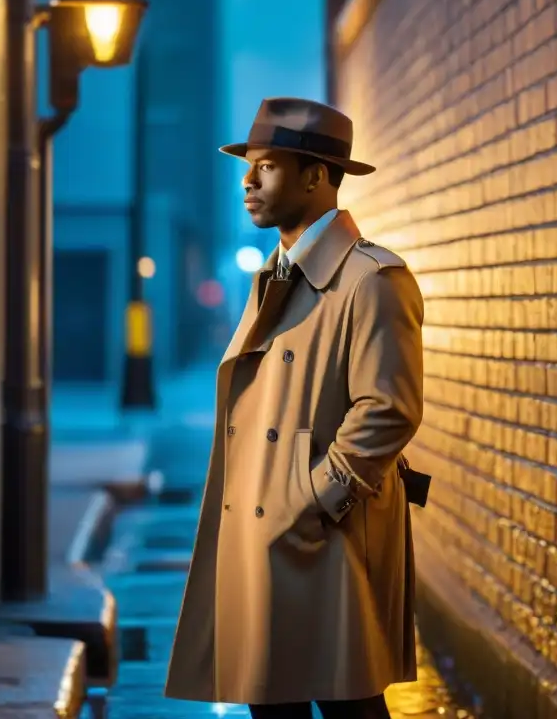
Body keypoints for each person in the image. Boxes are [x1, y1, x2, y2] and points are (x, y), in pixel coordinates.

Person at [165, 97, 425, 719]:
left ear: (315, 176)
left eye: (268, 167)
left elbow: (388, 408)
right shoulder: (273, 276)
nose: (248, 182)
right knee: (271, 700)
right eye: (248, 166)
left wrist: (314, 499)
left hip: (323, 529)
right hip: (267, 529)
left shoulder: (373, 279)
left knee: (349, 702)